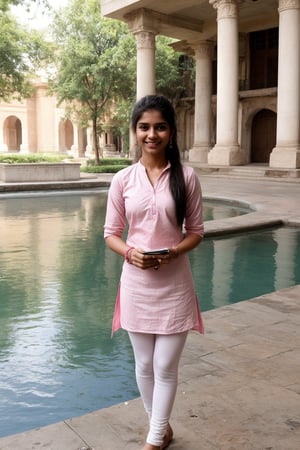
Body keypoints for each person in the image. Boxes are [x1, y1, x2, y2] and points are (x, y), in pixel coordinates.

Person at [104, 94, 204, 450]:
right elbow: (111, 234)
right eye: (144, 127)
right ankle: (161, 428)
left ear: (171, 132)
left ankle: (153, 440)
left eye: (160, 127)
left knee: (164, 366)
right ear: (134, 131)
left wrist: (174, 251)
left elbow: (196, 231)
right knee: (144, 364)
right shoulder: (123, 180)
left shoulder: (186, 178)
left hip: (175, 284)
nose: (152, 134)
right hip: (136, 284)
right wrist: (131, 253)